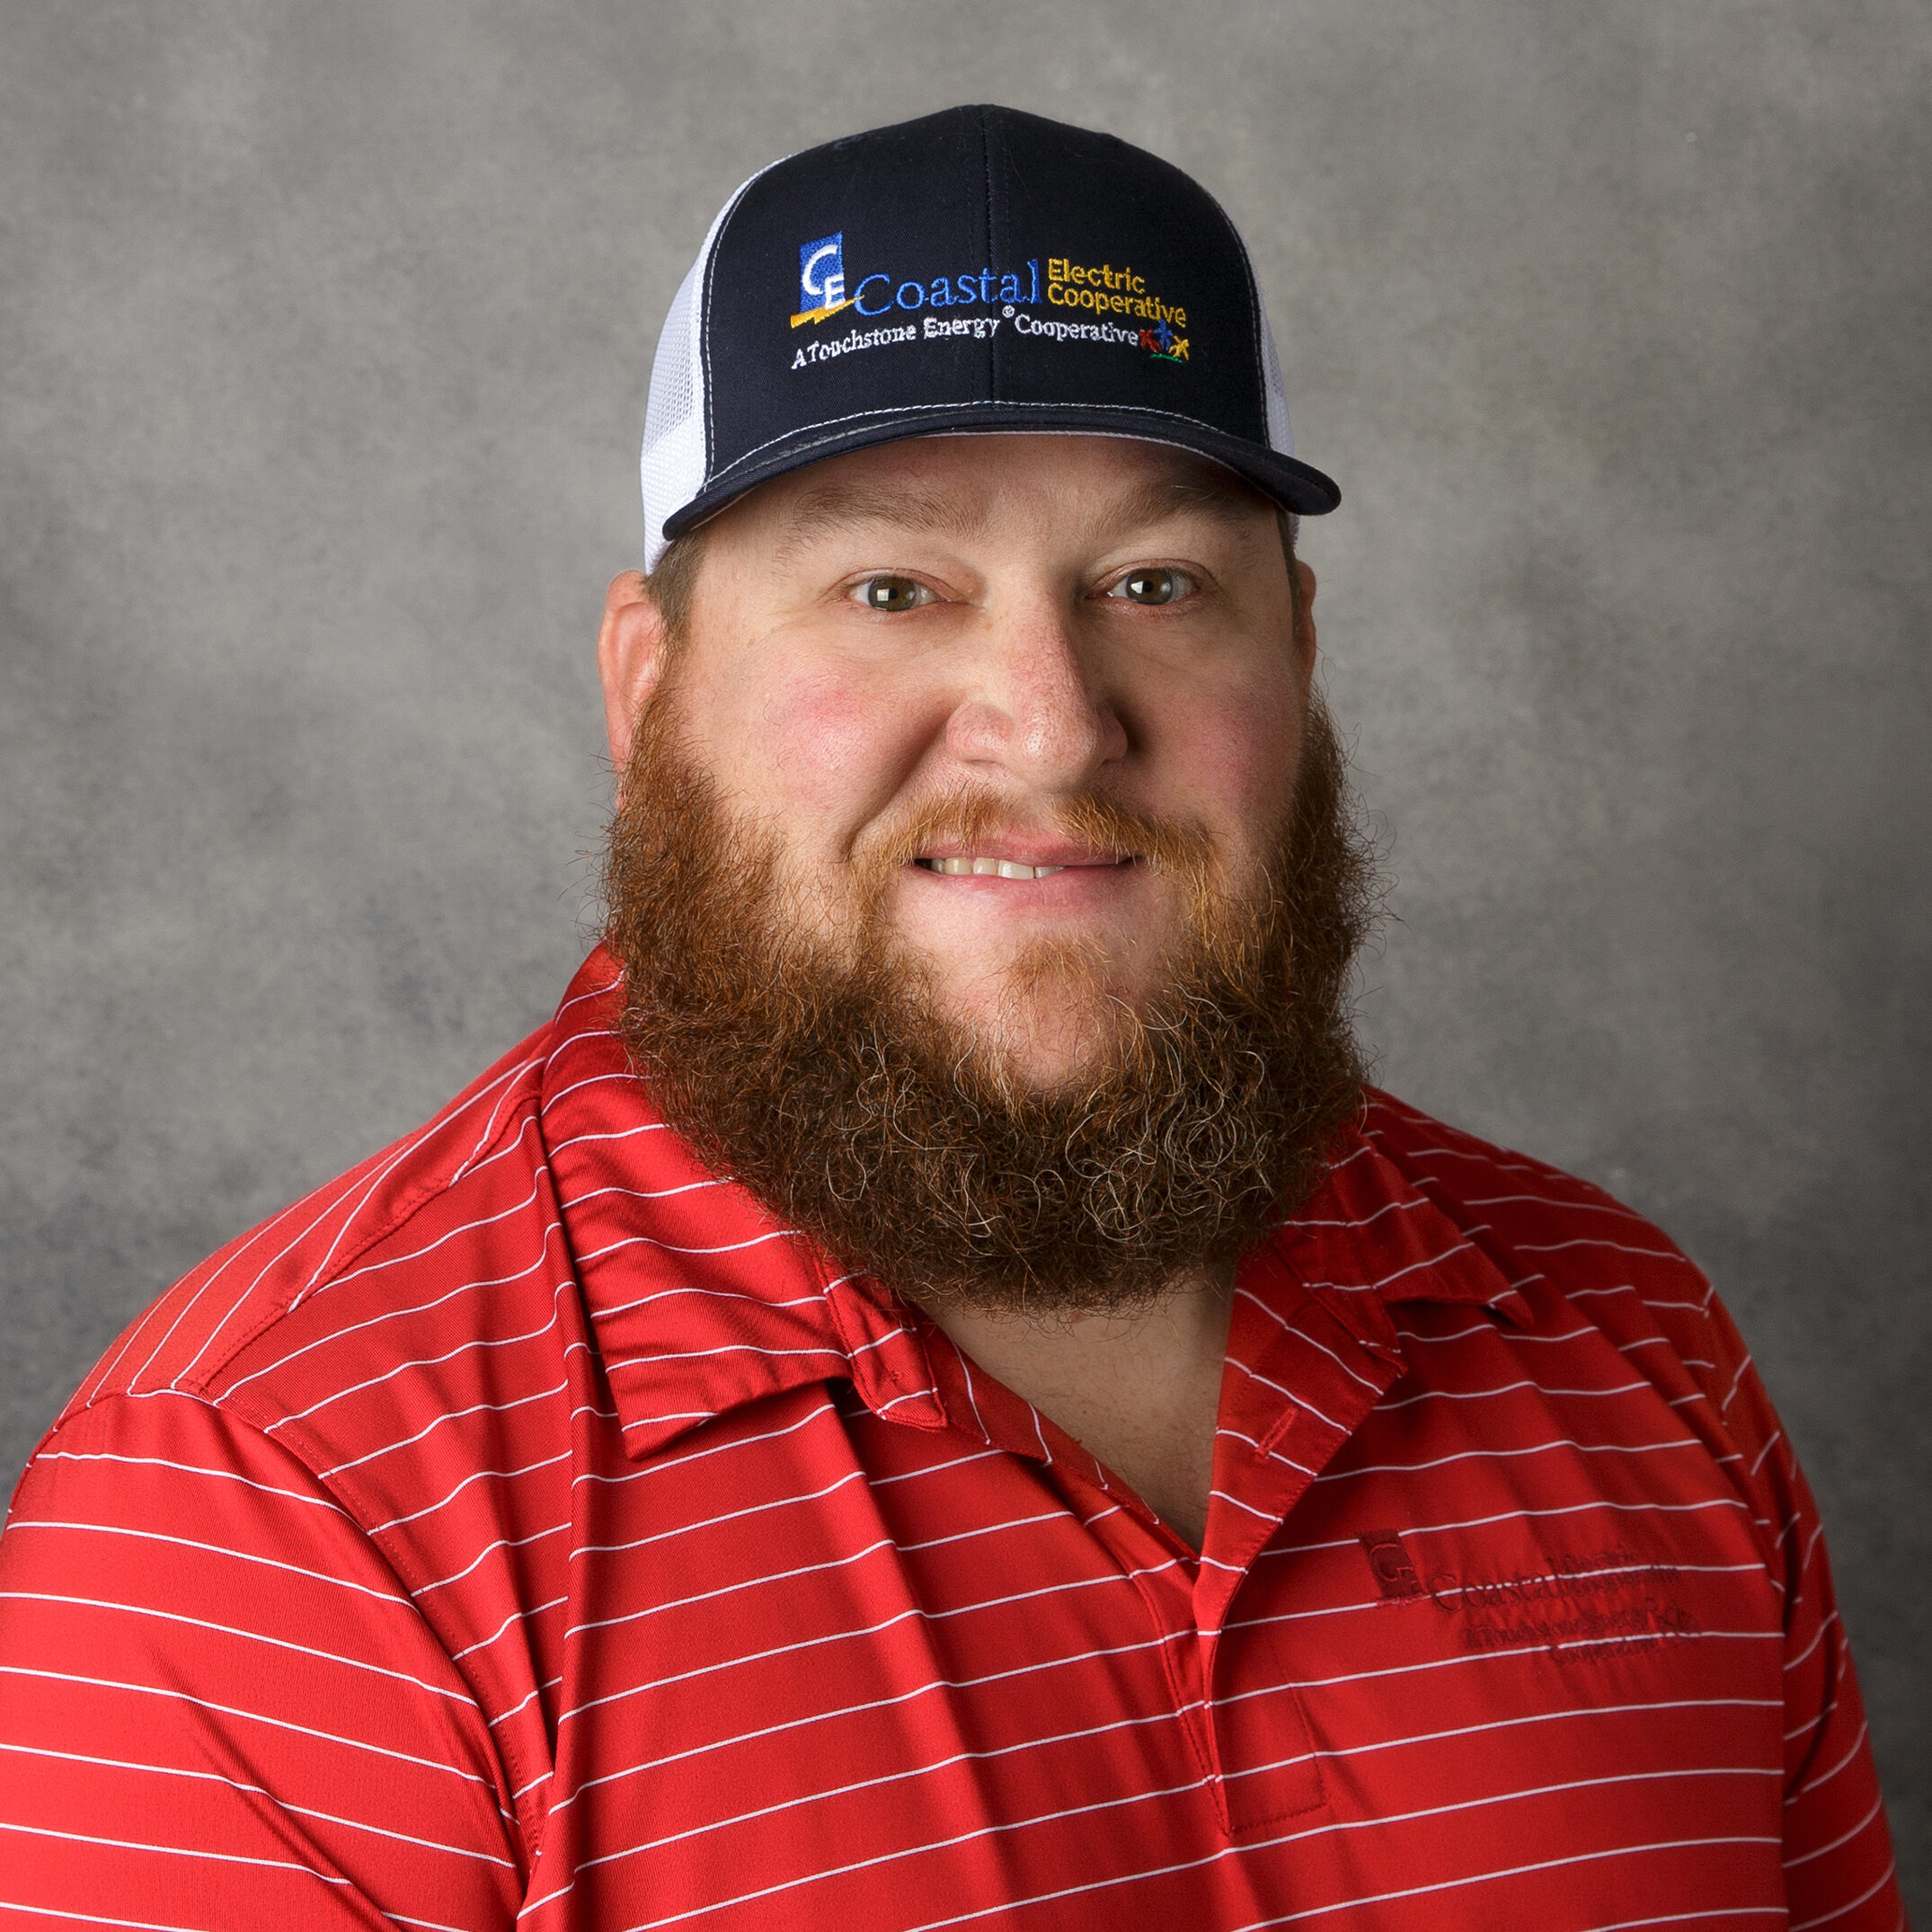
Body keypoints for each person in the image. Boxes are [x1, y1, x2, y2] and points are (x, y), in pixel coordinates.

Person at [0, 104, 1904, 1930]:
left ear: (1300, 658)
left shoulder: (1621, 1342)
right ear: (650, 690)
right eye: (894, 586)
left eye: (1154, 584)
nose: (1054, 719)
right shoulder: (276, 1510)